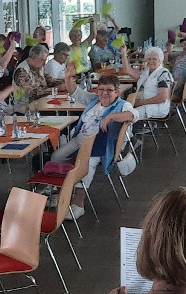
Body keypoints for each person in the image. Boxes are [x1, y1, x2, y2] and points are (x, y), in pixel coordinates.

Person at [49, 72, 135, 220]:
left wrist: (110, 117)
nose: (104, 93)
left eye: (109, 90)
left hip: (98, 147)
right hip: (80, 140)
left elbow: (132, 115)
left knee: (86, 165)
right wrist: (68, 78)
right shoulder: (94, 100)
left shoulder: (122, 104)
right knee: (56, 156)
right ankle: (62, 193)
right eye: (101, 89)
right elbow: (75, 92)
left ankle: (78, 204)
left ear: (117, 92)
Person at [120, 46, 173, 121]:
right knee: (119, 110)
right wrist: (123, 53)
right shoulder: (146, 72)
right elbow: (127, 70)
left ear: (160, 61)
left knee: (126, 116)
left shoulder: (163, 74)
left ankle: (129, 131)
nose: (151, 61)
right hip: (143, 104)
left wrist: (141, 102)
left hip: (156, 107)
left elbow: (162, 97)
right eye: (149, 59)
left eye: (154, 59)